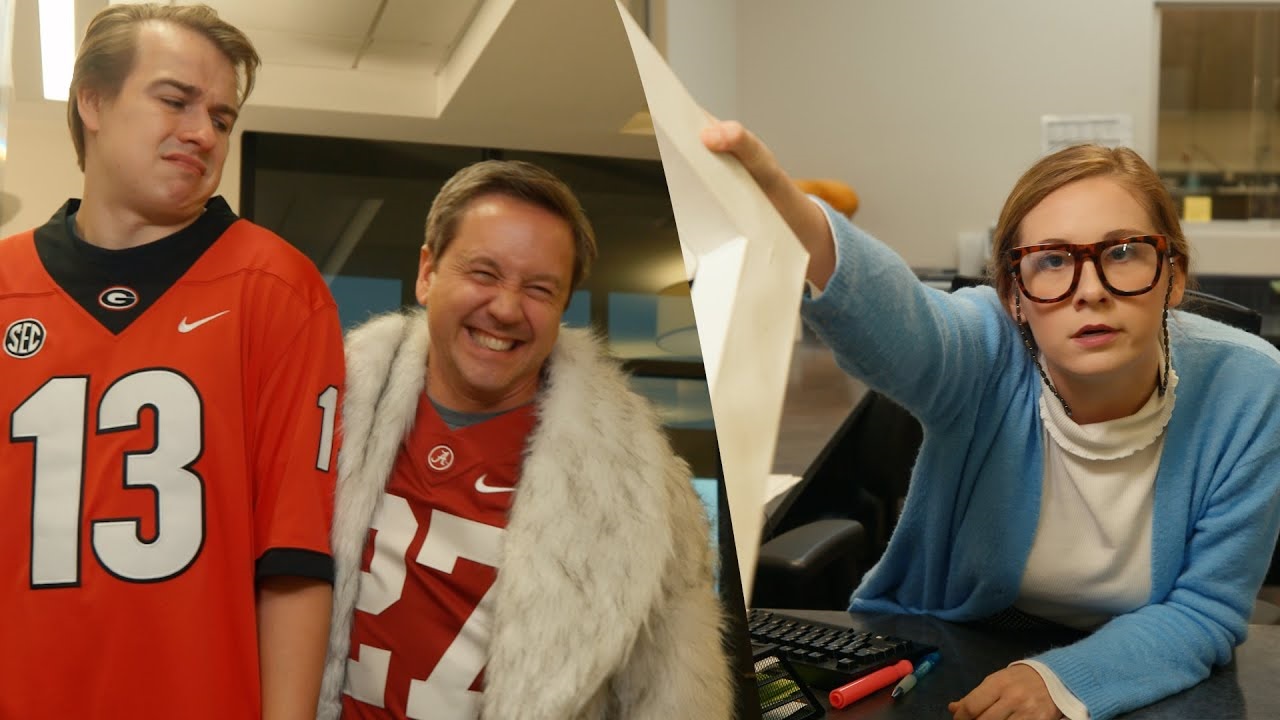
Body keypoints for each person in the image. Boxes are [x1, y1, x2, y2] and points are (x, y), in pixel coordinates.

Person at [702, 121, 1280, 720]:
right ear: (1014, 296)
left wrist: (1061, 679)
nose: (1090, 291)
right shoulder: (985, 351)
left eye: (1123, 252)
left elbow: (1205, 610)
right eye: (1053, 260)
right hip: (950, 649)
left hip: (1151, 664)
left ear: (1175, 275)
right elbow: (904, 326)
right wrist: (792, 217)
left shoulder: (1249, 385)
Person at [0, 5, 342, 718]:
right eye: (175, 100)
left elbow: (296, 563)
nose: (202, 133)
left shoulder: (277, 288)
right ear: (93, 100)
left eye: (221, 117)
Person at [318, 159, 731, 720]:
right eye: (483, 273)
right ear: (427, 272)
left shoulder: (639, 493)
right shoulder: (331, 412)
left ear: (563, 308)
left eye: (539, 288)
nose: (507, 308)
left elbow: (677, 696)